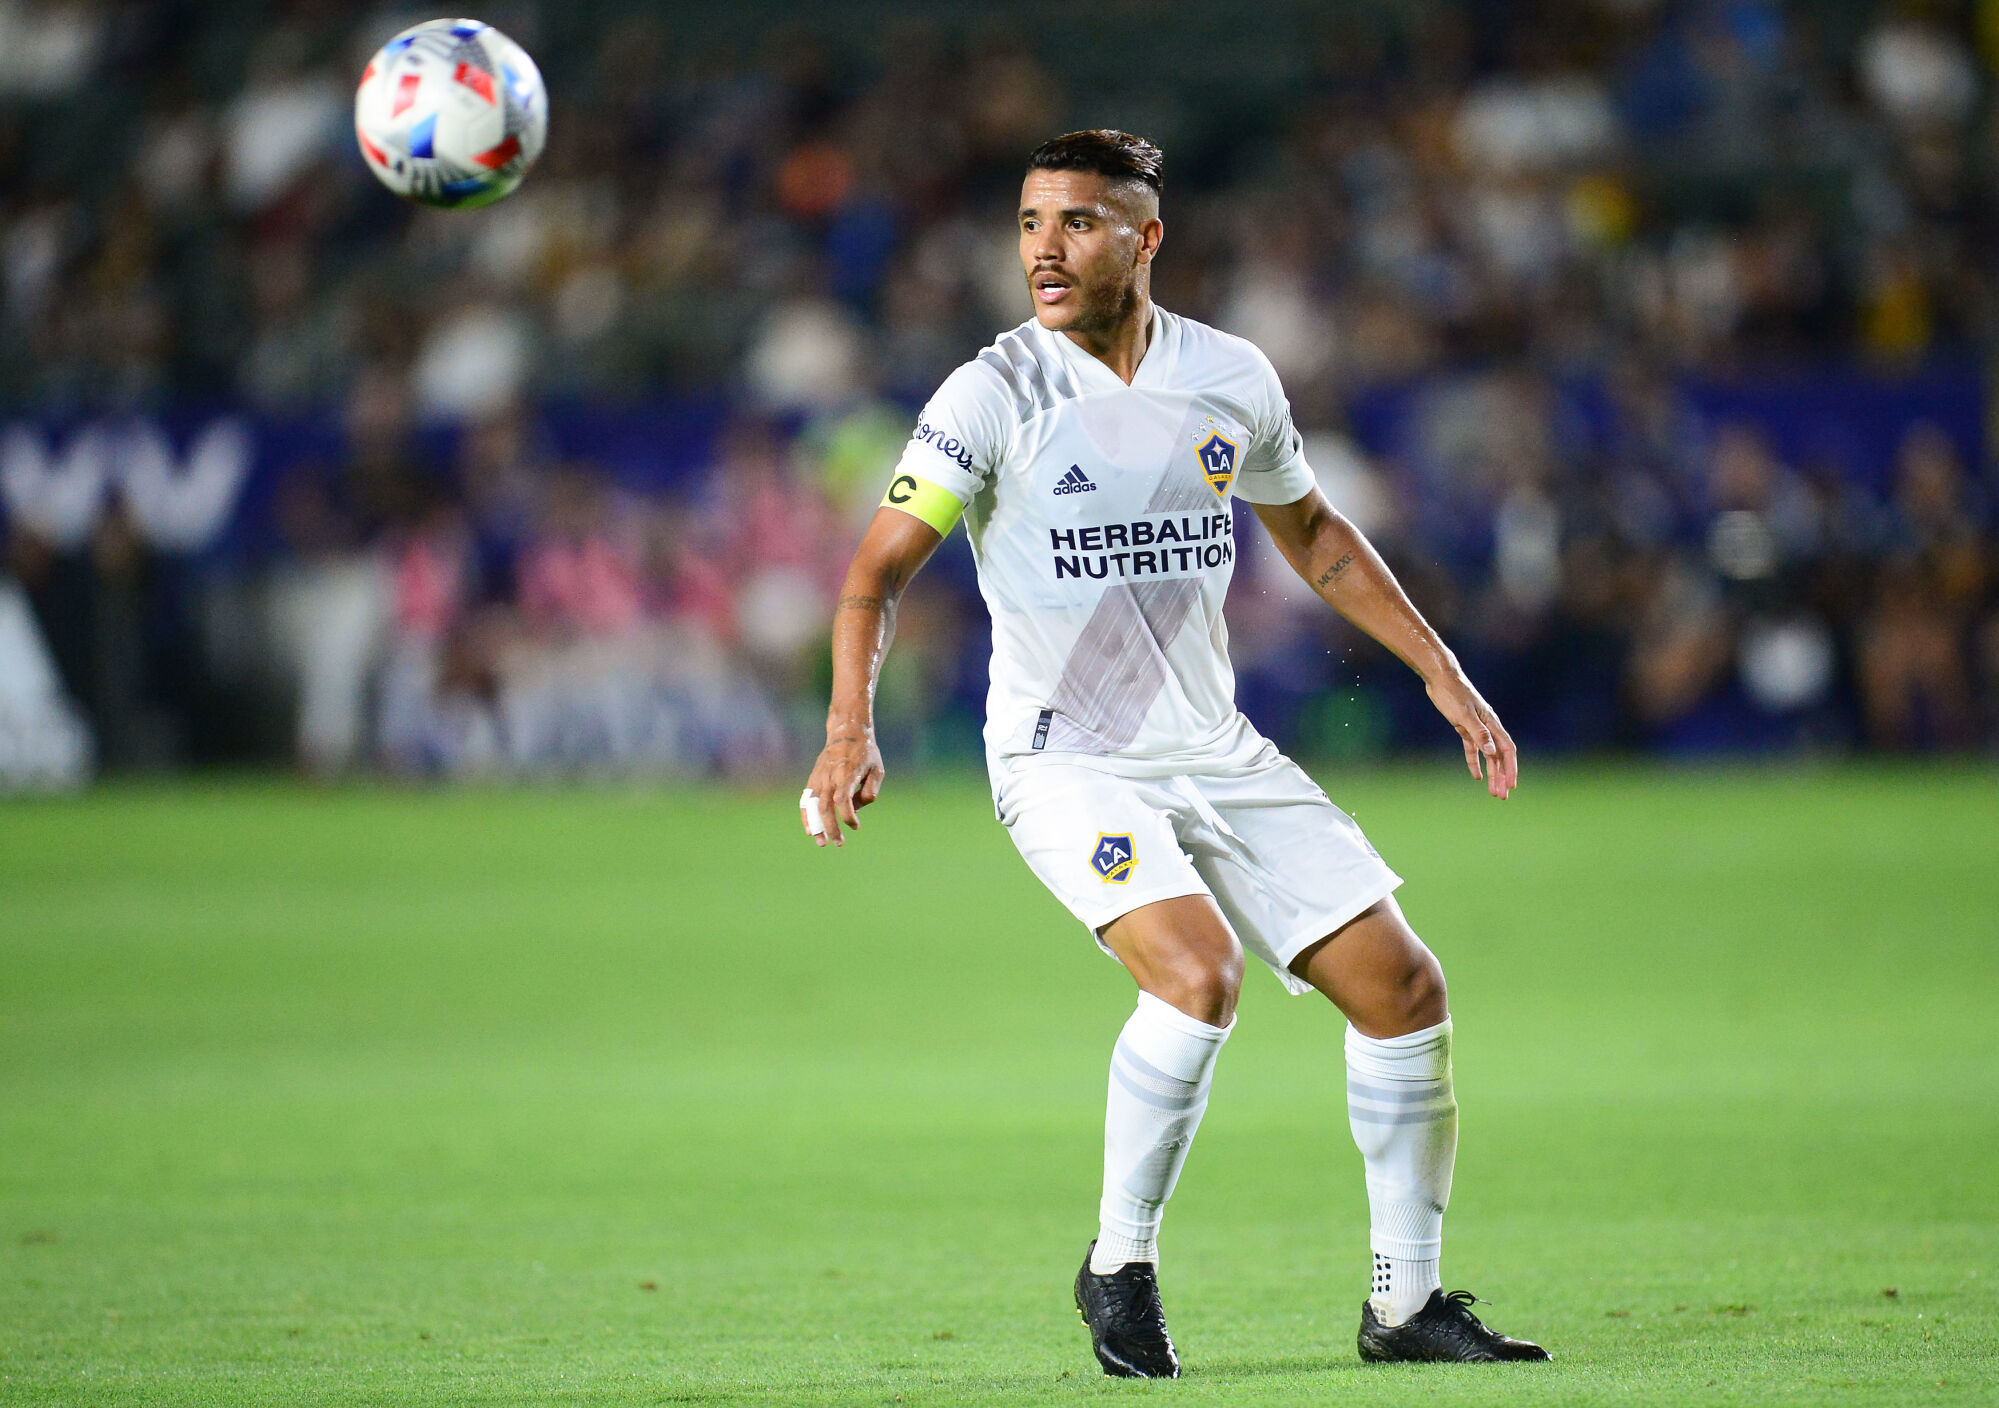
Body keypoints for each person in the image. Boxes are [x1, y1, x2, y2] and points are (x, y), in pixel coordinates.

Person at [799, 129, 1548, 1375]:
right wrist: (846, 727)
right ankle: (1118, 1266)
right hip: (1063, 757)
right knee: (1198, 976)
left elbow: (1314, 534)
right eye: (1030, 222)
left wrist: (1440, 670)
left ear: (1145, 238)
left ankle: (1406, 1304)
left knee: (1405, 992)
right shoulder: (990, 394)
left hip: (1213, 748)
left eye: (1078, 222)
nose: (1045, 249)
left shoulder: (1228, 376)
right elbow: (874, 575)